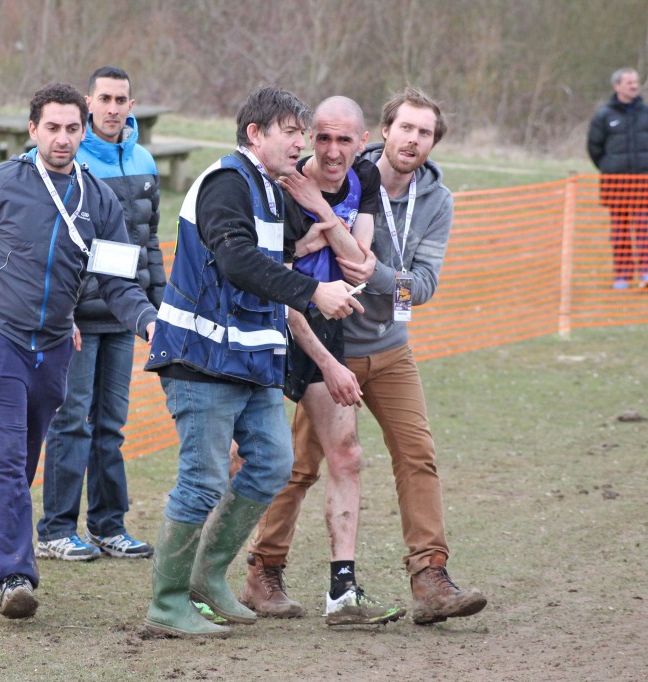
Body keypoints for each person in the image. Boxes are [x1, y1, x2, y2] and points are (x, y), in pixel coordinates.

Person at [0, 82, 157, 620]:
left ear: (83, 130)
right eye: (52, 128)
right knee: (5, 461)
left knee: (14, 465)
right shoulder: (0, 183)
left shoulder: (101, 200)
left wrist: (148, 322)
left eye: (71, 129)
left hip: (53, 346)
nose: (62, 138)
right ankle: (18, 572)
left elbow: (118, 285)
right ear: (32, 130)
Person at [244, 87, 488, 626]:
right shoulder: (359, 176)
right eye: (406, 128)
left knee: (417, 453)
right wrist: (345, 251)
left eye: (424, 133)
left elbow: (420, 288)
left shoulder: (436, 201)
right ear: (384, 133)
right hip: (331, 347)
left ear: (431, 142)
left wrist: (375, 277)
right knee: (302, 466)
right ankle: (263, 569)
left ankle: (430, 578)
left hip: (391, 348)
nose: (413, 140)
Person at [142, 86, 364, 638]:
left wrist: (319, 229)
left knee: (269, 463)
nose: (301, 142)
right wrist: (315, 294)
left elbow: (287, 250)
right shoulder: (226, 184)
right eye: (289, 131)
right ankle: (167, 603)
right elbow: (238, 260)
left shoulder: (270, 189)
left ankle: (207, 578)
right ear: (254, 135)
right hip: (202, 358)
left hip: (251, 363)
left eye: (300, 131)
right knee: (202, 480)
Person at [239, 96, 402, 625]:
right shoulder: (283, 186)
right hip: (274, 330)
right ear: (308, 137)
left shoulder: (364, 181)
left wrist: (324, 215)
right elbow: (279, 287)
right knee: (251, 463)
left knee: (347, 454)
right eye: (323, 138)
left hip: (329, 328)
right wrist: (329, 363)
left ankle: (343, 593)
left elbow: (358, 266)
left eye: (345, 141)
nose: (333, 152)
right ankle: (231, 578)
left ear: (361, 143)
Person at [35, 66, 165, 563]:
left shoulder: (145, 160)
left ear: (132, 105)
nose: (114, 107)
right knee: (72, 423)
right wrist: (59, 310)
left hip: (125, 314)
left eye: (122, 99)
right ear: (89, 103)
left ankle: (109, 525)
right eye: (105, 98)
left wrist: (157, 301)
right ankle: (55, 530)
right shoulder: (64, 162)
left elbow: (148, 240)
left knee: (110, 425)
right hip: (77, 318)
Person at [587, 67, 648, 290]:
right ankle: (622, 275)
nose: (634, 86)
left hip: (641, 180)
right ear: (617, 86)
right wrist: (610, 167)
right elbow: (594, 148)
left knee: (644, 227)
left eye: (636, 82)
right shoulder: (603, 116)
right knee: (620, 230)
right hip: (615, 182)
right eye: (629, 82)